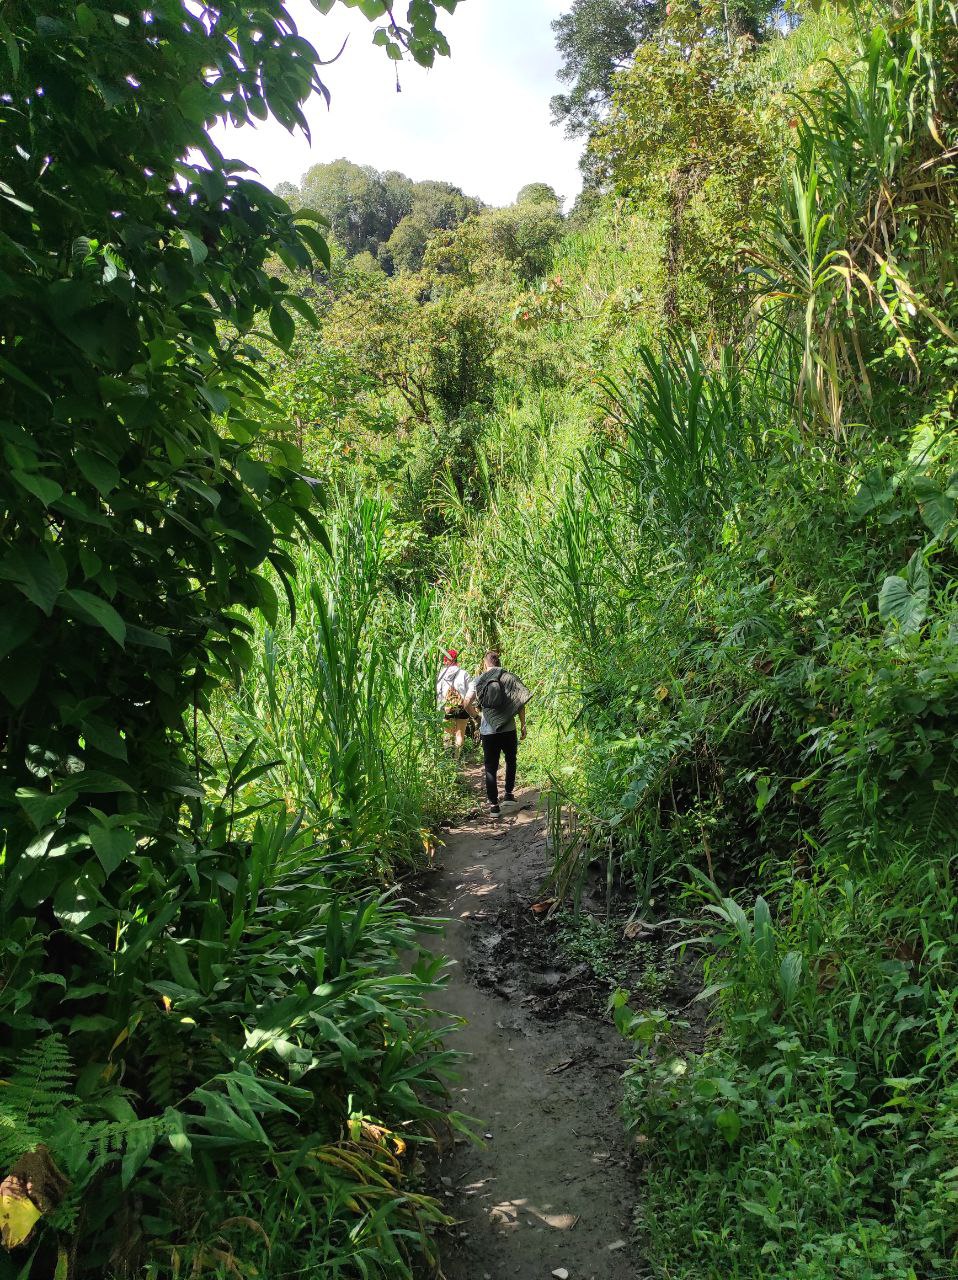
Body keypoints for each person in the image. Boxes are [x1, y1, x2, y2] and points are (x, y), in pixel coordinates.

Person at [464, 650, 531, 817]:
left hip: (488, 731)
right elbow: (520, 702)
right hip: (508, 729)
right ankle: (508, 795)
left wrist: (477, 717)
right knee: (511, 760)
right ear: (498, 662)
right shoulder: (509, 677)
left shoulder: (478, 681)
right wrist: (523, 724)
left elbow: (466, 704)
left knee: (490, 767)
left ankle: (494, 805)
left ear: (485, 663)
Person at [436, 648, 472, 757]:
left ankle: (447, 759)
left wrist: (440, 706)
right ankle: (456, 759)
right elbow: (471, 690)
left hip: (447, 707)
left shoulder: (442, 674)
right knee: (460, 734)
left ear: (446, 660)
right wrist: (468, 703)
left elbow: (438, 691)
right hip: (462, 706)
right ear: (456, 659)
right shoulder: (464, 673)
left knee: (447, 733)